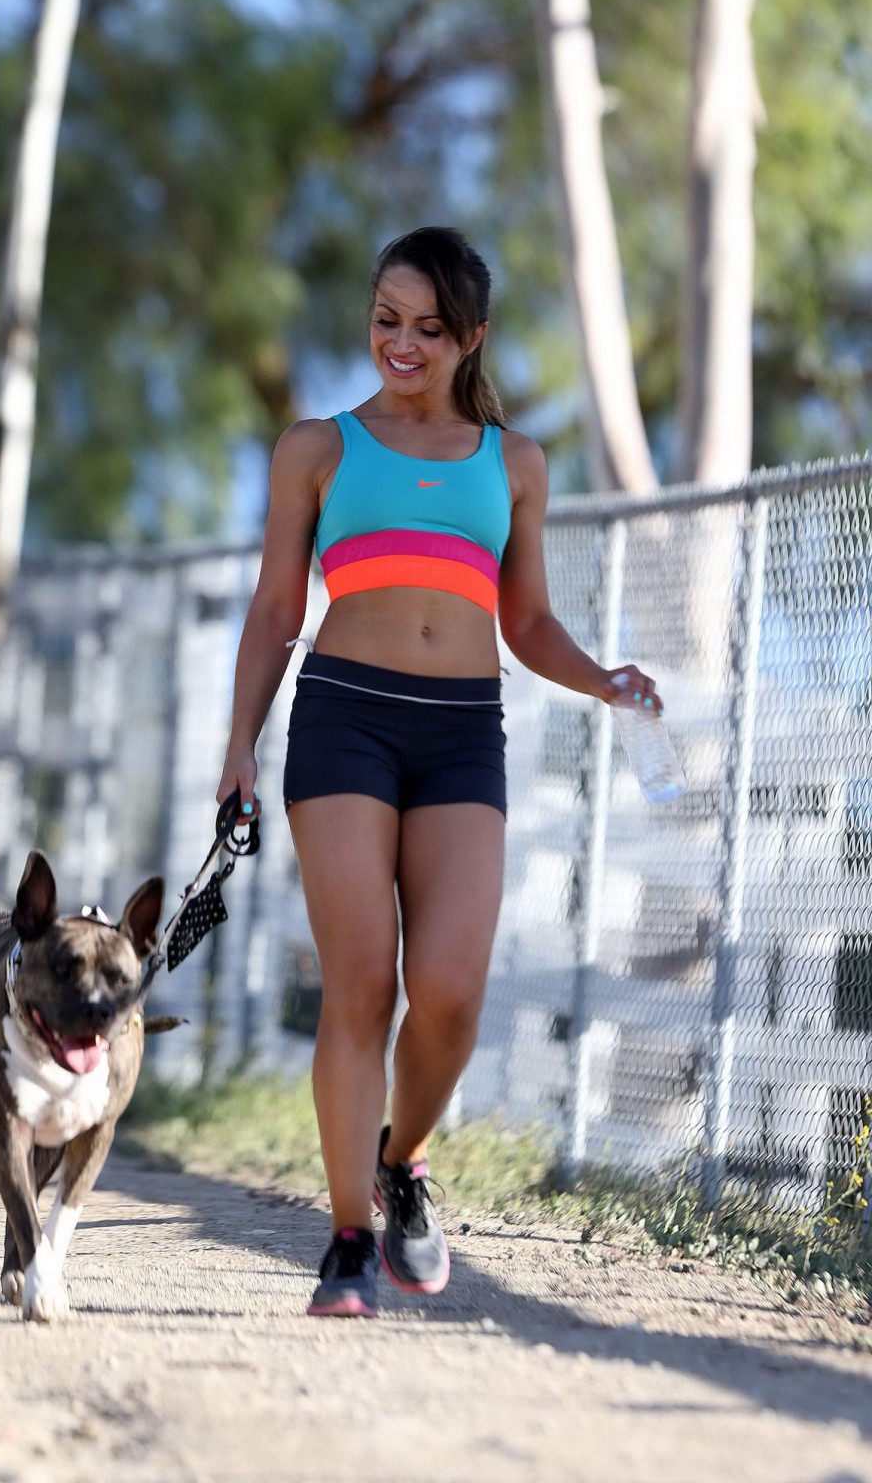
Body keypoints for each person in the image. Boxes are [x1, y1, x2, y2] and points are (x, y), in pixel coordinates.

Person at [217, 226, 659, 1318]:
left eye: (426, 328)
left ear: (472, 338)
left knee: (452, 996)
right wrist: (238, 746)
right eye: (384, 320)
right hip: (343, 724)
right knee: (362, 983)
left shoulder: (514, 463)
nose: (399, 344)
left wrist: (603, 679)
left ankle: (400, 1159)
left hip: (463, 730)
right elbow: (278, 607)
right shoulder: (315, 449)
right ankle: (347, 1241)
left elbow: (529, 622)